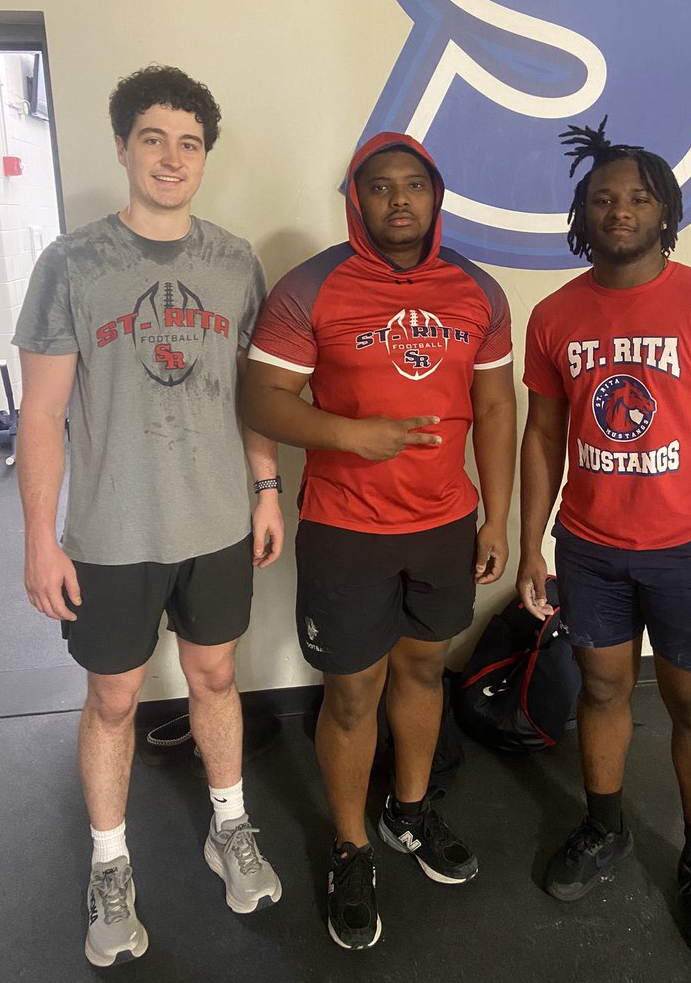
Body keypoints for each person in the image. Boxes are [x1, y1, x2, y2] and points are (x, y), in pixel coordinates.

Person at [13, 65, 285, 968]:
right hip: (112, 534)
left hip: (215, 524)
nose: (173, 158)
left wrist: (266, 487)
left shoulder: (235, 261)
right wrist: (40, 539)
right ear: (124, 147)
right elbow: (41, 416)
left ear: (206, 155)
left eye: (190, 142)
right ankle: (109, 865)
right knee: (116, 697)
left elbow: (254, 396)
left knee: (214, 680)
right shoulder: (72, 265)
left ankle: (230, 829)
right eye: (154, 139)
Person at [517, 118, 691, 965]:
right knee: (599, 694)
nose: (619, 209)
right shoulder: (555, 315)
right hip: (590, 550)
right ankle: (606, 830)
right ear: (581, 213)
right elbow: (543, 437)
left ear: (665, 210)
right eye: (603, 198)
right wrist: (531, 547)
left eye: (636, 197)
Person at [243, 132, 516, 949]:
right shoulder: (311, 287)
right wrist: (348, 435)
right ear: (355, 200)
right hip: (346, 528)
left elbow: (497, 409)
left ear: (436, 196)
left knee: (424, 667)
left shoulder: (477, 290)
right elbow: (260, 398)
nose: (400, 200)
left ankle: (407, 812)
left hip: (443, 524)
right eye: (380, 187)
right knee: (353, 692)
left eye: (415, 186)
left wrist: (496, 516)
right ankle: (351, 847)